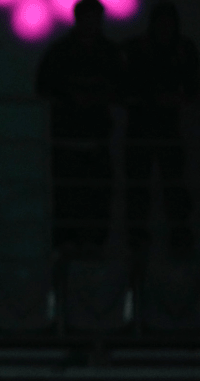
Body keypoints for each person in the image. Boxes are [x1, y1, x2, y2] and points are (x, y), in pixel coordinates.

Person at [35, 0, 125, 258]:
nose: (92, 24)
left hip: (89, 138)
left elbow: (122, 87)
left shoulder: (67, 51)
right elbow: (43, 85)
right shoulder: (97, 52)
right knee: (73, 197)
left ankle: (86, 246)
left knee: (93, 198)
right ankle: (75, 247)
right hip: (73, 138)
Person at [122, 1, 199, 261]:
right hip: (147, 127)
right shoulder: (147, 48)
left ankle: (173, 238)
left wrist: (178, 97)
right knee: (144, 187)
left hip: (165, 128)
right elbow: (128, 83)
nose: (165, 28)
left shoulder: (181, 49)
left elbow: (193, 84)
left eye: (169, 23)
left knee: (172, 185)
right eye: (162, 23)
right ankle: (148, 239)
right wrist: (161, 98)